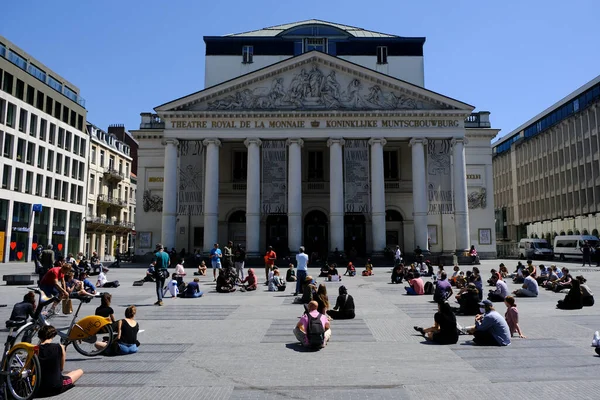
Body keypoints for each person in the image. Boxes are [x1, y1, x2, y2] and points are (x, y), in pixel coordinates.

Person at [37, 325, 83, 396]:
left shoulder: (35, 349)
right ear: (53, 335)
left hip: (38, 388)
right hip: (56, 386)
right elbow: (61, 368)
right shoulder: (60, 347)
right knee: (80, 371)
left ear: (40, 337)